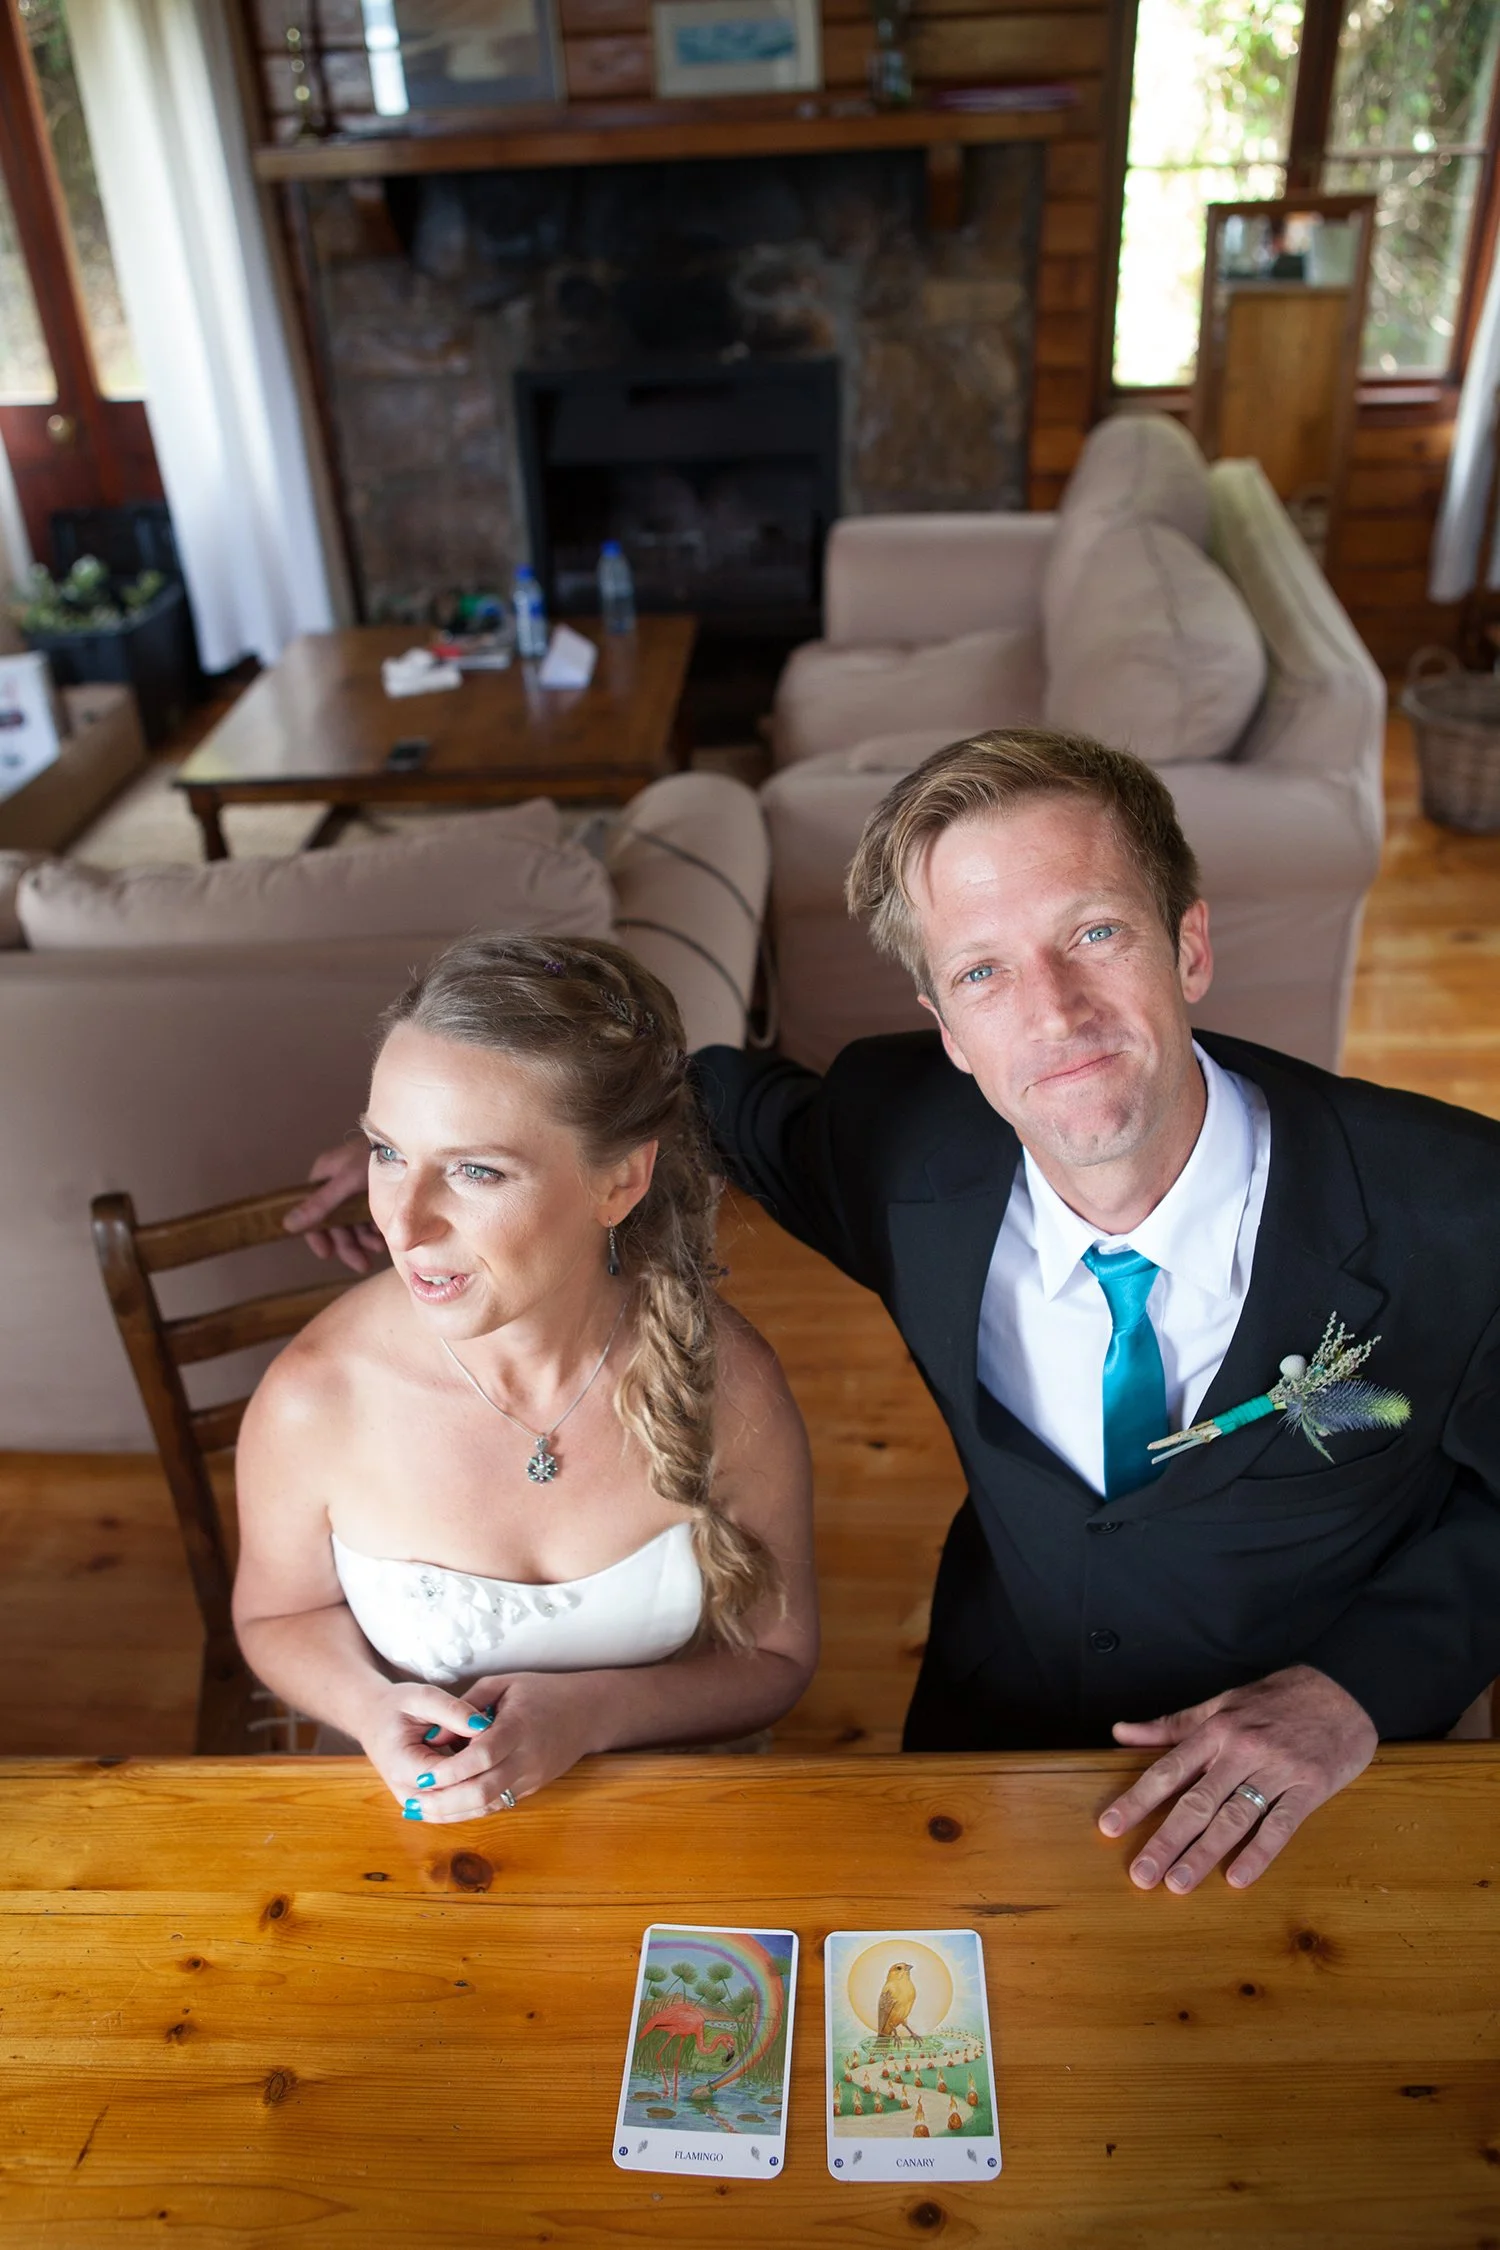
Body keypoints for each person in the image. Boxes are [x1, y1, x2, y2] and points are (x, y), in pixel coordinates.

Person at [290, 732, 1500, 1895]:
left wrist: (1356, 1692)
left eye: (1094, 933)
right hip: (988, 1742)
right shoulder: (898, 1144)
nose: (1055, 1013)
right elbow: (700, 1092)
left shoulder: (1459, 1207)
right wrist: (452, 1139)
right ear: (947, 1027)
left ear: (1188, 948)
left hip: (1331, 1785)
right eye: (983, 971)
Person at [239, 934, 817, 1822]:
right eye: (388, 1152)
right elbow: (276, 1618)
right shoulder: (316, 1397)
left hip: (664, 1820)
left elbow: (777, 1660)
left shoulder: (727, 1385)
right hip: (413, 1824)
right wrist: (368, 1704)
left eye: (475, 1170)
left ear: (620, 1181)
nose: (403, 1220)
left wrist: (595, 1712)